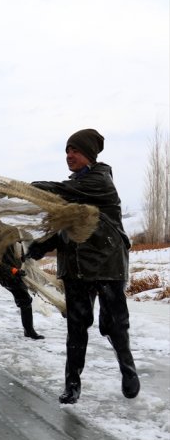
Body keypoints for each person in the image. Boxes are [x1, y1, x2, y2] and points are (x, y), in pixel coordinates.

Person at [26, 128, 139, 404]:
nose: (69, 155)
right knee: (76, 327)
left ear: (89, 153)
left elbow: (62, 191)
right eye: (66, 150)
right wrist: (40, 246)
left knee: (114, 324)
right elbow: (63, 224)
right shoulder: (75, 186)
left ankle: (128, 369)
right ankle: (72, 384)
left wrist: (19, 188)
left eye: (74, 150)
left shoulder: (99, 182)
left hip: (106, 265)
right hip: (75, 267)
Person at [0, 203, 44, 341]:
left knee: (25, 299)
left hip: (11, 271)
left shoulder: (10, 230)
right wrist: (13, 270)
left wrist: (25, 254)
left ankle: (29, 330)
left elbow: (24, 241)